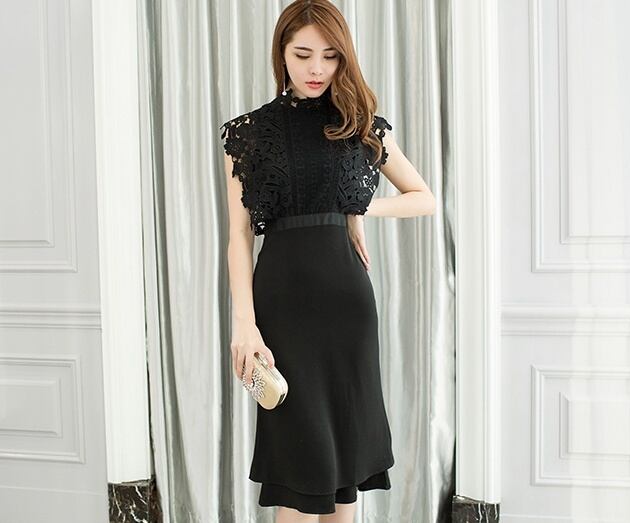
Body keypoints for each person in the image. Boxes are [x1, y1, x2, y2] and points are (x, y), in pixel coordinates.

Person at [219, 1, 435, 521]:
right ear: (281, 54)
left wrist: (358, 207)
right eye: (303, 54)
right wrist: (244, 324)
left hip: (347, 308)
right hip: (281, 308)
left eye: (330, 56)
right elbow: (239, 235)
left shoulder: (361, 127)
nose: (316, 68)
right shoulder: (246, 133)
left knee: (344, 471)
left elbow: (424, 198)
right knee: (296, 470)